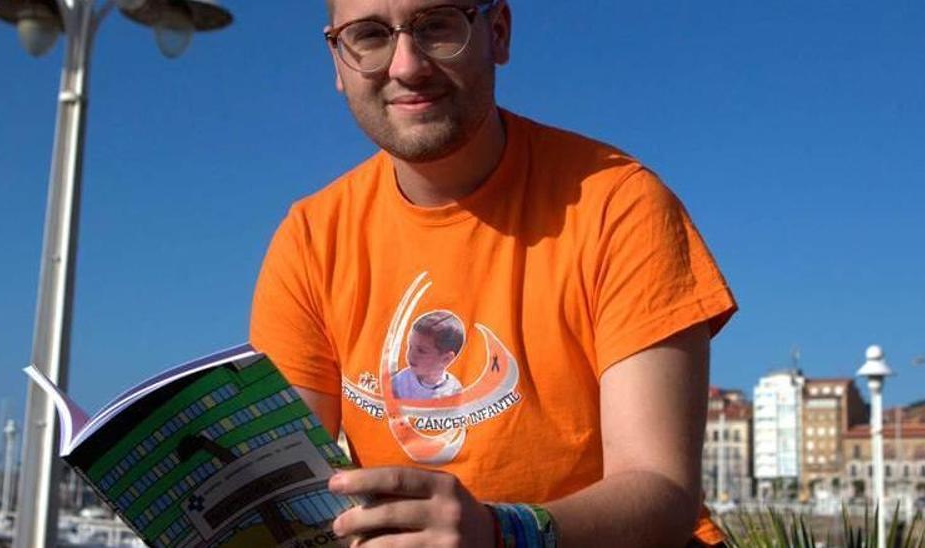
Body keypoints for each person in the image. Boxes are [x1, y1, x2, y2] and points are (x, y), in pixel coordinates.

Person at [249, 0, 737, 545]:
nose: (407, 65)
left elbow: (662, 490)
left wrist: (501, 534)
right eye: (369, 35)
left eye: (437, 26)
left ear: (498, 33)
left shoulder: (618, 204)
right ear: (338, 61)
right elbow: (289, 487)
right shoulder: (311, 238)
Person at [393, 311, 465, 400]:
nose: (411, 354)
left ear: (446, 359)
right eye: (410, 346)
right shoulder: (399, 382)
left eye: (421, 351)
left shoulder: (453, 390)